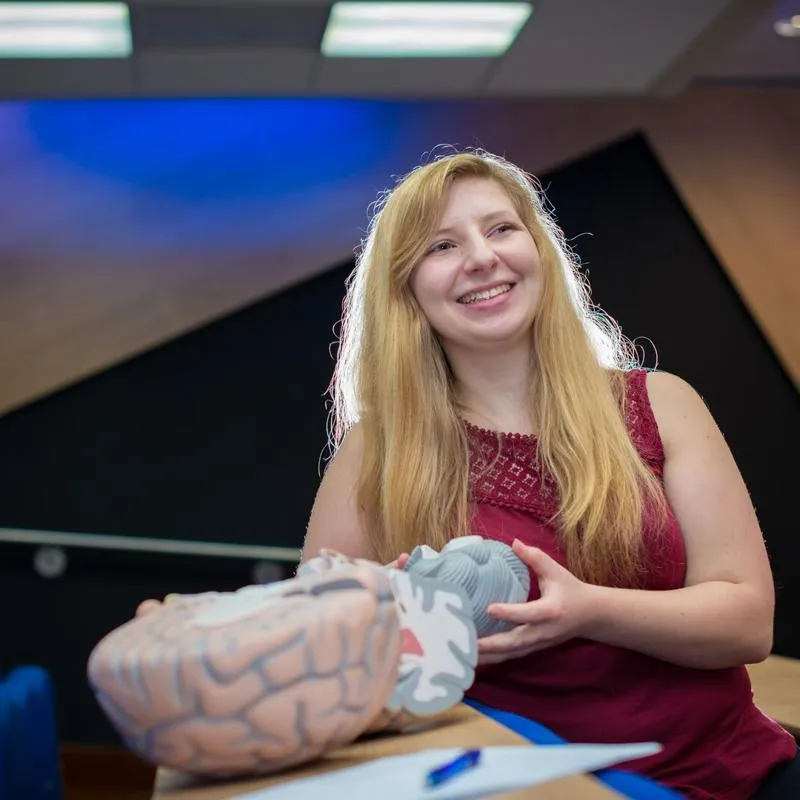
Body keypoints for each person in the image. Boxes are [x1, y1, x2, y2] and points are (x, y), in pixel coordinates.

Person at [300, 148, 798, 800]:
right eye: (442, 245)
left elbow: (746, 623)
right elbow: (314, 655)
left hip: (733, 778)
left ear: (541, 251)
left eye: (501, 228)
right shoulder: (376, 451)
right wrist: (388, 632)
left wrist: (590, 612)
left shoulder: (663, 404)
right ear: (408, 291)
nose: (482, 256)